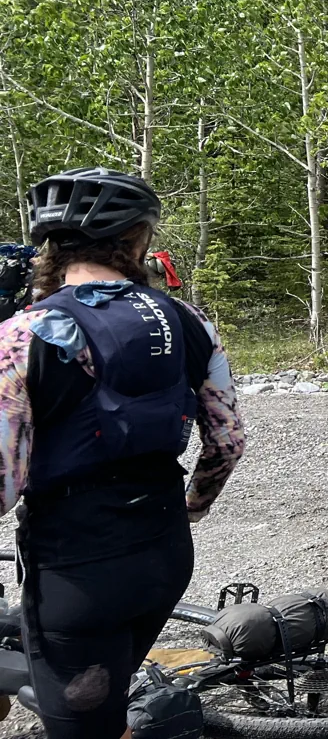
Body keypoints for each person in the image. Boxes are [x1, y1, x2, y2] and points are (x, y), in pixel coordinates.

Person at [0, 167, 245, 739]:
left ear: (50, 247)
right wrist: (192, 505)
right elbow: (227, 441)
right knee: (105, 704)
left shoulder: (22, 334)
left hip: (76, 570)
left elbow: (2, 482)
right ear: (137, 241)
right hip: (164, 553)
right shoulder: (189, 320)